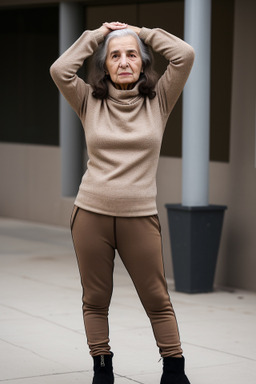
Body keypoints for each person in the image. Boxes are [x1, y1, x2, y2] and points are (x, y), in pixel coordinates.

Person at [50, 21, 194, 384]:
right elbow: (59, 70)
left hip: (139, 217)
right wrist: (97, 36)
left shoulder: (159, 100)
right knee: (95, 299)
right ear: (105, 65)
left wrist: (142, 32)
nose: (124, 61)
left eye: (132, 54)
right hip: (91, 216)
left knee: (157, 299)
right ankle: (103, 367)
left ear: (144, 63)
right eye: (115, 56)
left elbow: (185, 55)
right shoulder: (88, 101)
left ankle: (174, 370)